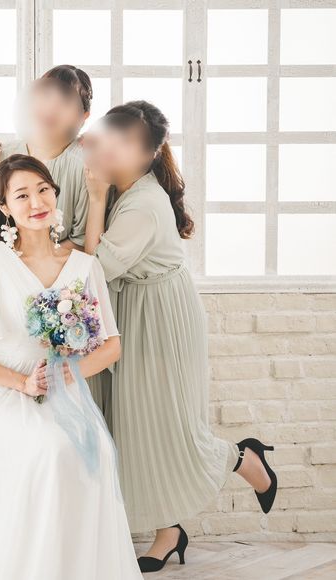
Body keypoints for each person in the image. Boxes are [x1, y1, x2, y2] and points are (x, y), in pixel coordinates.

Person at [82, 100, 278, 573]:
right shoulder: (123, 184)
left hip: (160, 319)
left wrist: (94, 197)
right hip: (136, 310)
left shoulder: (143, 205)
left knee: (170, 429)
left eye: (127, 143)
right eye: (110, 136)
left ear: (149, 154)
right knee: (139, 426)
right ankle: (169, 531)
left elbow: (94, 270)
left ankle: (243, 457)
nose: (113, 148)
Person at [0, 154, 142, 580]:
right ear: (5, 208)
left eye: (43, 190)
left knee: (96, 453)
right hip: (4, 392)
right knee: (49, 451)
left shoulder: (84, 266)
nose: (36, 202)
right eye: (22, 195)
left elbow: (111, 346)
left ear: (56, 194)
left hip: (65, 389)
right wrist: (22, 383)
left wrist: (68, 374)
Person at [0, 64, 112, 419]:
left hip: (60, 291)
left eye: (66, 101)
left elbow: (86, 246)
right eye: (46, 96)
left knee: (57, 402)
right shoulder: (3, 154)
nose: (53, 107)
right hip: (7, 290)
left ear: (83, 117)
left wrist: (40, 256)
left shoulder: (84, 163)